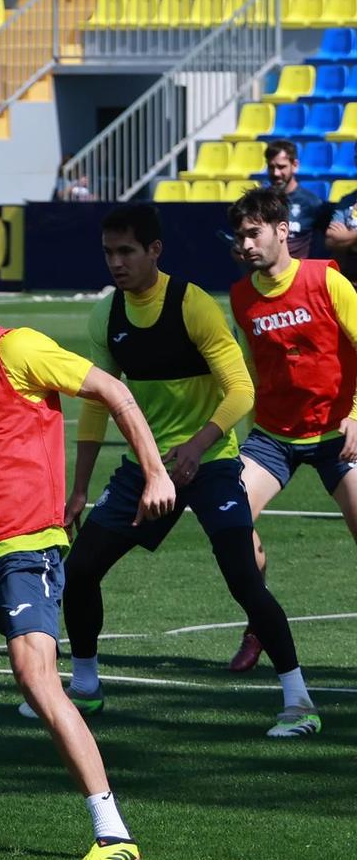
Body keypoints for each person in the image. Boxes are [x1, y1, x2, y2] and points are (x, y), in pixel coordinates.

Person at [0, 256, 172, 860]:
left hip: (25, 554)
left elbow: (113, 390)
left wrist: (154, 470)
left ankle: (113, 833)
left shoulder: (14, 350)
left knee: (35, 678)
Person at [63, 205, 316, 738]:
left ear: (155, 250)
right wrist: (79, 487)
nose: (116, 262)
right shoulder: (105, 316)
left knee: (243, 577)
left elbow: (241, 389)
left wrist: (199, 446)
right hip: (146, 466)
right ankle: (84, 689)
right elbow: (94, 403)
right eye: (109, 252)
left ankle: (299, 701)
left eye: (127, 251)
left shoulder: (191, 304)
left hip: (211, 463)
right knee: (81, 570)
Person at [219, 187, 357, 721]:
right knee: (229, 525)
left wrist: (356, 414)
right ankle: (260, 614)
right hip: (274, 436)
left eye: (254, 232)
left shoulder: (326, 278)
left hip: (335, 433)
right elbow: (250, 371)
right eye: (240, 235)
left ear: (281, 231)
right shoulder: (240, 296)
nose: (246, 243)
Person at [264, 139, 326, 261]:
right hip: (264, 276)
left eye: (281, 167)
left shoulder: (312, 203)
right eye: (271, 167)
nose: (276, 173)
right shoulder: (260, 202)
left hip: (298, 275)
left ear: (295, 165)